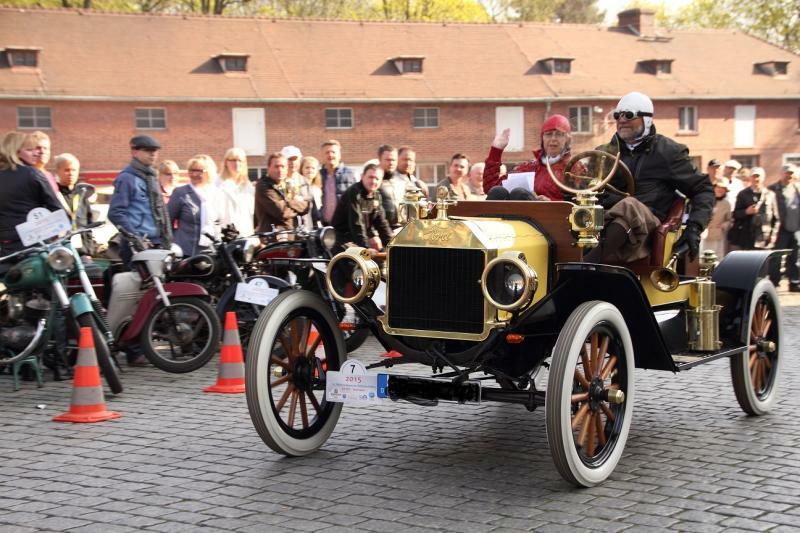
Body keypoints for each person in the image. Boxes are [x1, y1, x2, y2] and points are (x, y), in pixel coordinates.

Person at [584, 92, 714, 264]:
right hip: (607, 221)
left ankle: (583, 267)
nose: (622, 120)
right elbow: (585, 191)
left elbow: (703, 189)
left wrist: (694, 228)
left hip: (648, 228)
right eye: (618, 115)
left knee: (629, 205)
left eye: (629, 115)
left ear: (646, 119)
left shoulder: (668, 152)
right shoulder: (603, 153)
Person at [107, 135, 173, 266]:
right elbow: (116, 213)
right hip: (137, 245)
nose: (153, 154)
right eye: (147, 150)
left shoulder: (151, 176)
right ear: (134, 152)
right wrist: (135, 238)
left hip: (157, 242)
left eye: (155, 151)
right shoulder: (127, 178)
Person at [0, 132, 63, 258]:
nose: (36, 153)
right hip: (34, 244)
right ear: (16, 152)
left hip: (5, 246)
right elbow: (57, 210)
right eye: (29, 149)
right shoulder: (33, 174)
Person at [484, 115, 576, 201]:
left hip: (555, 216)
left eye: (559, 134)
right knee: (499, 191)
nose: (553, 139)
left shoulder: (575, 169)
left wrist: (551, 203)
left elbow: (582, 205)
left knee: (519, 193)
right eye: (548, 134)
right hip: (518, 216)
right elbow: (491, 189)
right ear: (542, 138)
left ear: (567, 139)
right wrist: (496, 150)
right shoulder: (529, 167)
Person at [331, 162, 393, 254]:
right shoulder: (354, 193)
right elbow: (356, 223)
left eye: (377, 178)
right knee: (354, 264)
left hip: (358, 238)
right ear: (362, 176)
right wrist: (365, 248)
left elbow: (382, 223)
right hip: (342, 238)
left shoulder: (376, 196)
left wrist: (393, 245)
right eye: (370, 177)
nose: (373, 181)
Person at [169, 156, 220, 257]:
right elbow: (167, 221)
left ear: (209, 172)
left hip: (212, 251)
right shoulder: (181, 193)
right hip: (185, 252)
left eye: (198, 171)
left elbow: (221, 222)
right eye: (191, 170)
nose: (193, 174)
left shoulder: (217, 194)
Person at [54, 153, 96, 256]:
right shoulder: (53, 195)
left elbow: (89, 225)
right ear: (58, 171)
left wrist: (89, 252)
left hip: (82, 252)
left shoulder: (81, 194)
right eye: (67, 170)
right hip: (61, 252)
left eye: (74, 170)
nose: (71, 173)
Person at [254, 152, 309, 232]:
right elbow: (281, 212)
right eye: (276, 166)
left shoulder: (289, 184)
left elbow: (306, 206)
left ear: (287, 169)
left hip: (291, 236)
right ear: (268, 168)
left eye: (283, 167)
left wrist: (288, 203)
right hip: (271, 238)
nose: (280, 170)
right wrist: (296, 205)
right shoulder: (263, 185)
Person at [728, 168, 779, 251]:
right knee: (748, 263)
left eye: (758, 176)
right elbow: (735, 214)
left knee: (763, 262)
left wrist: (773, 235)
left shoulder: (770, 194)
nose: (756, 179)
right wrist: (746, 212)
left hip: (764, 236)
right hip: (747, 236)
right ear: (750, 178)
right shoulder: (743, 194)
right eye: (753, 176)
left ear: (763, 178)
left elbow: (776, 219)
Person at [768, 164, 800, 290]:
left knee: (795, 256)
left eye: (791, 173)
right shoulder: (772, 189)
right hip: (780, 228)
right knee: (777, 256)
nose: (789, 175)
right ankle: (774, 282)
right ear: (781, 174)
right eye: (787, 173)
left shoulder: (797, 189)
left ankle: (794, 282)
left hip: (796, 228)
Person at [217, 147, 254, 237]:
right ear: (226, 162)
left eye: (240, 160)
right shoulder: (217, 183)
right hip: (225, 234)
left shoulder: (247, 185)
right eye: (233, 160)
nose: (237, 163)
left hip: (246, 234)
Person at [319, 140, 358, 225]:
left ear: (339, 155)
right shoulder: (318, 176)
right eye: (327, 152)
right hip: (324, 225)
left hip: (345, 224)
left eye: (333, 152)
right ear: (322, 155)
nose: (330, 155)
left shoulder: (351, 174)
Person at [699, 176, 732, 259]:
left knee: (717, 258)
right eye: (719, 187)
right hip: (704, 234)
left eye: (723, 188)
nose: (720, 190)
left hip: (718, 235)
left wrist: (723, 225)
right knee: (702, 257)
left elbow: (729, 220)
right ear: (714, 187)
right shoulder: (706, 200)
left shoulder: (726, 204)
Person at [282, 145, 315, 229]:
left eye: (295, 159)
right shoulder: (278, 182)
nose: (292, 163)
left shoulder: (305, 181)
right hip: (287, 231)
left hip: (306, 230)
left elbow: (310, 207)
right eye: (289, 159)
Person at [377, 145, 403, 231]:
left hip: (401, 229)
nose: (391, 163)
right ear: (380, 160)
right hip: (381, 231)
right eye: (387, 160)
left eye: (393, 160)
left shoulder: (401, 181)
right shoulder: (373, 182)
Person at [299, 155, 323, 226]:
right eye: (307, 168)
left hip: (316, 225)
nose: (310, 170)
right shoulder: (298, 186)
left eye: (313, 168)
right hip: (303, 224)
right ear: (301, 169)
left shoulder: (317, 189)